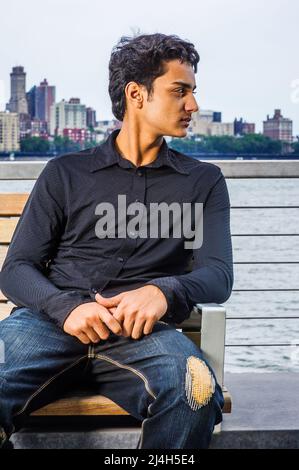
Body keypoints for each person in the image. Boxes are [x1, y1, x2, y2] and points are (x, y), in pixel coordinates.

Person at [0, 32, 233, 449]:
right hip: (48, 326)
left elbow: (218, 276)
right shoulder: (65, 173)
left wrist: (164, 290)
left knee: (195, 391)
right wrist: (67, 307)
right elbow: (16, 270)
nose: (192, 105)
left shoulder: (204, 181)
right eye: (180, 91)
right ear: (136, 94)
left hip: (145, 337)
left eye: (193, 92)